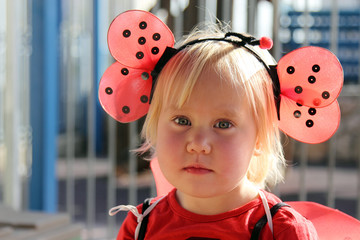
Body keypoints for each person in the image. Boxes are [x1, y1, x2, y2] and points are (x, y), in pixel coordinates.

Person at [101, 10, 343, 240]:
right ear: (154, 128)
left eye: (223, 124)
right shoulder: (140, 226)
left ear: (259, 138)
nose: (198, 144)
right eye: (182, 121)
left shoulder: (281, 231)